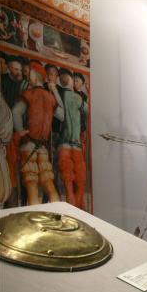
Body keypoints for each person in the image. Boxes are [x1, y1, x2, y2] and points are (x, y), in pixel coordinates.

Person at [12, 60, 64, 205]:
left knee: (31, 184)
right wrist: (55, 92)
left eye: (28, 75)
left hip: (28, 144)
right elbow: (62, 115)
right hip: (43, 147)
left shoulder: (29, 93)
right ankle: (57, 213)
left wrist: (20, 130)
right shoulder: (50, 96)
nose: (27, 78)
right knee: (48, 181)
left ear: (35, 77)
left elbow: (15, 112)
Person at [56, 68, 89, 209]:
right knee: (80, 182)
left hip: (63, 144)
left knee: (68, 183)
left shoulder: (58, 96)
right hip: (76, 144)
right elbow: (87, 110)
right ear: (69, 81)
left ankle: (74, 212)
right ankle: (78, 212)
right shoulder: (77, 98)